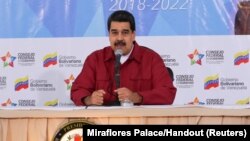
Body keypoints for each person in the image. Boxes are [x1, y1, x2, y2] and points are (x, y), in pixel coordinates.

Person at [71, 10, 176, 106]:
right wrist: (89, 99)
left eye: (125, 33)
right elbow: (77, 91)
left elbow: (167, 93)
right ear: (109, 35)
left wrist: (136, 97)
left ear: (133, 35)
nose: (119, 38)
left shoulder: (151, 59)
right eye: (115, 33)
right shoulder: (95, 59)